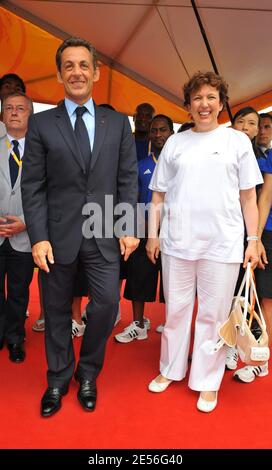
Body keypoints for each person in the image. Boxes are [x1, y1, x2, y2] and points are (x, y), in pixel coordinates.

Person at [21, 36, 139, 417]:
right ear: (59, 74)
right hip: (57, 236)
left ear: (96, 72)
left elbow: (127, 178)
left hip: (104, 233)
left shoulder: (119, 123)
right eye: (69, 66)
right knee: (56, 309)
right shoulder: (40, 124)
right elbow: (33, 185)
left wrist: (128, 226)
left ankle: (87, 372)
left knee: (105, 305)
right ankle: (57, 378)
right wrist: (38, 237)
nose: (77, 72)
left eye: (83, 65)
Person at [146, 71, 262, 412]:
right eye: (197, 98)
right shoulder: (175, 143)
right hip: (176, 244)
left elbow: (249, 199)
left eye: (211, 97)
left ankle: (207, 381)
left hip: (222, 245)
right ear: (188, 105)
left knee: (212, 315)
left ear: (221, 103)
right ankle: (171, 368)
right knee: (176, 311)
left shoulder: (236, 142)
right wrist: (153, 235)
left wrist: (252, 240)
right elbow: (157, 197)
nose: (204, 104)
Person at [115, 114, 173, 343]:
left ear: (171, 133)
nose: (158, 135)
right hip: (145, 228)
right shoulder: (141, 165)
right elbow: (133, 198)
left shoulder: (179, 163)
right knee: (139, 277)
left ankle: (172, 324)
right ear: (149, 135)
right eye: (154, 131)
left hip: (174, 230)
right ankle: (138, 324)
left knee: (173, 282)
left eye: (163, 130)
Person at [225, 106, 261, 371]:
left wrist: (255, 238)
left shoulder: (262, 158)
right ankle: (227, 343)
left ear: (258, 130)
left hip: (253, 233)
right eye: (241, 122)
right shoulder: (224, 151)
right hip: (227, 231)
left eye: (252, 124)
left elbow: (258, 200)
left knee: (251, 293)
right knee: (229, 292)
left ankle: (252, 346)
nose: (246, 127)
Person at [0, 92, 34, 361]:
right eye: (9, 108)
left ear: (29, 114)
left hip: (24, 234)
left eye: (20, 108)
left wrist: (27, 221)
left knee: (19, 291)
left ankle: (14, 338)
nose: (13, 112)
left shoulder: (39, 149)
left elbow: (48, 192)